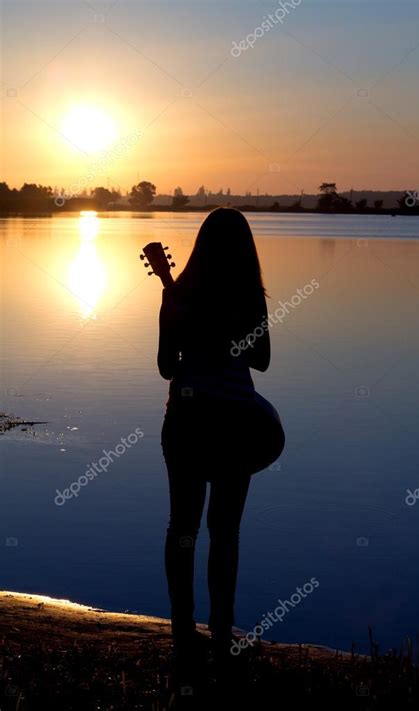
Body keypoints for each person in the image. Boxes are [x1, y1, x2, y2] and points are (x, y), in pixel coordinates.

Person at [158, 208, 271, 673]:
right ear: (245, 249)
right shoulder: (250, 297)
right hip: (234, 422)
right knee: (225, 530)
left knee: (182, 529)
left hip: (187, 421)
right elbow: (261, 359)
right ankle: (221, 634)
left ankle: (184, 633)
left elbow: (166, 366)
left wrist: (182, 315)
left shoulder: (179, 294)